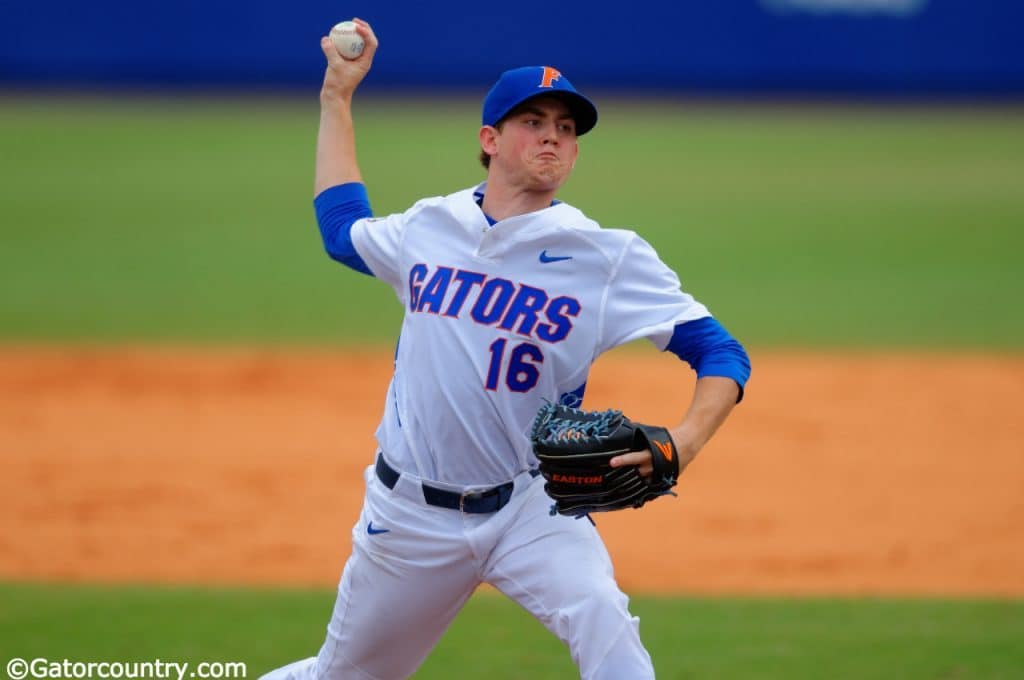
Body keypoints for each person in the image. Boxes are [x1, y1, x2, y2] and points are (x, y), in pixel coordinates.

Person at [263, 18, 751, 680]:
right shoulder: (430, 226)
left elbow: (721, 353)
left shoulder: (605, 257)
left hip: (532, 506)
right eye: (534, 120)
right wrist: (336, 96)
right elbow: (341, 228)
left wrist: (687, 441)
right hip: (409, 517)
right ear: (489, 141)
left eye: (567, 127)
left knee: (611, 636)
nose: (553, 133)